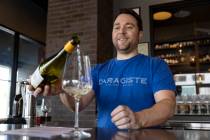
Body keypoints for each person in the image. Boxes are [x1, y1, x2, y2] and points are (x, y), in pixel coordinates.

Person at [29, 9, 176, 129]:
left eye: (129, 27)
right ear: (112, 33)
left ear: (140, 34)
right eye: (116, 27)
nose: (121, 31)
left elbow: (167, 106)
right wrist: (62, 90)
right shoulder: (98, 70)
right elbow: (77, 105)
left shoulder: (156, 65)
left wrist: (138, 118)